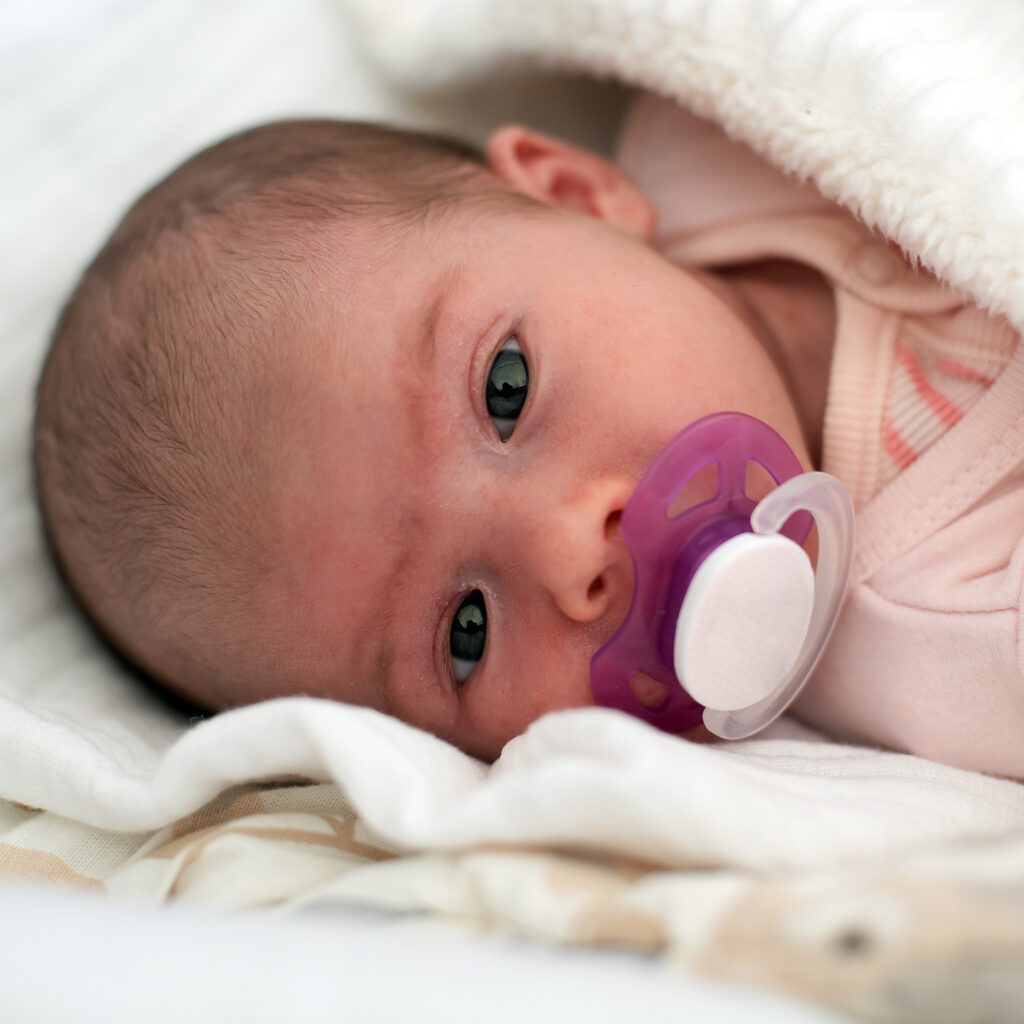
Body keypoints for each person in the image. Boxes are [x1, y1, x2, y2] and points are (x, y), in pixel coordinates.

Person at [33, 93, 1024, 774]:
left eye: (504, 388)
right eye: (466, 632)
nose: (564, 552)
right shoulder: (947, 636)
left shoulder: (740, 122)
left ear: (572, 191)